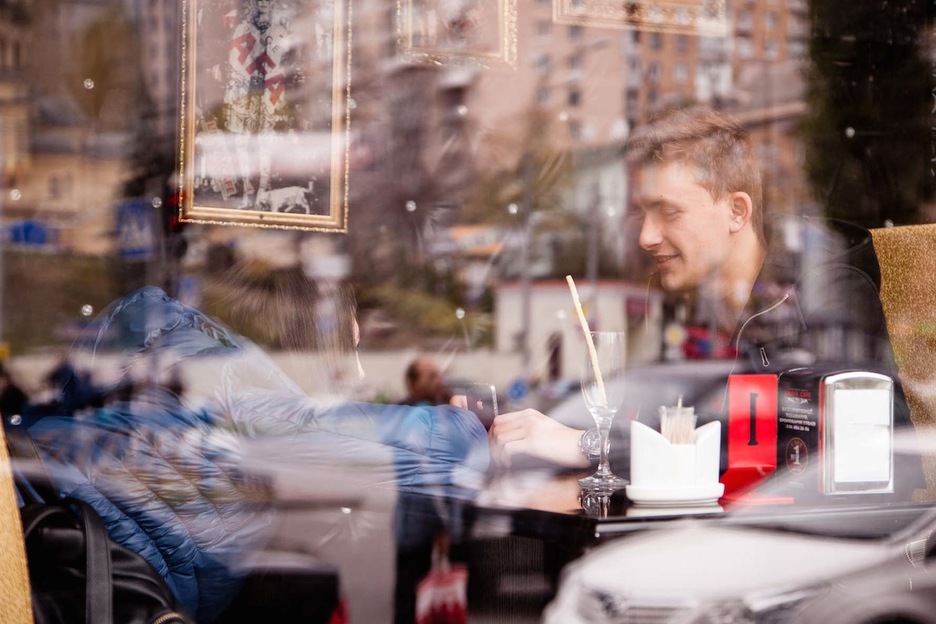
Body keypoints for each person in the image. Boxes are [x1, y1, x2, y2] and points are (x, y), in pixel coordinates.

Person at [489, 105, 920, 494]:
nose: (646, 236)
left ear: (737, 211)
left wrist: (592, 445)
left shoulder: (821, 298)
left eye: (669, 212)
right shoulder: (715, 307)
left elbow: (813, 460)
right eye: (643, 213)